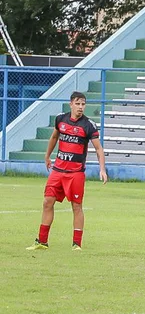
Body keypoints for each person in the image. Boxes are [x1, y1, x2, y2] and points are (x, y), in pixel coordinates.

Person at [26, 92, 108, 251]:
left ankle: (76, 244)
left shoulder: (88, 125)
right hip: (57, 170)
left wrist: (102, 169)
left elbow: (99, 149)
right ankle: (42, 242)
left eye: (83, 104)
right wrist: (47, 156)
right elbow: (54, 138)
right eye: (77, 104)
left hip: (75, 173)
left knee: (77, 206)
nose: (80, 107)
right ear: (71, 104)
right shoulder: (60, 119)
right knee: (47, 202)